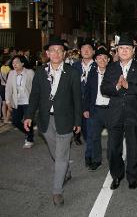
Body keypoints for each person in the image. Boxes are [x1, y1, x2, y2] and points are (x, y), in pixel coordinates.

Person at [24, 37, 82, 207]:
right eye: (52, 50)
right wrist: (28, 115)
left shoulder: (72, 72)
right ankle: (67, 171)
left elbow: (77, 99)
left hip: (65, 119)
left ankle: (57, 191)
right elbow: (34, 96)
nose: (56, 53)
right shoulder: (40, 72)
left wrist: (78, 120)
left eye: (59, 50)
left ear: (64, 54)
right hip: (45, 120)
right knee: (55, 152)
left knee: (61, 154)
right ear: (47, 53)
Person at [101, 36, 137, 190]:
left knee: (134, 146)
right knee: (113, 148)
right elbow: (104, 88)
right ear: (117, 50)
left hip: (134, 113)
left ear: (133, 51)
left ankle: (132, 176)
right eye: (121, 48)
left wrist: (128, 85)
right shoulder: (112, 67)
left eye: (127, 48)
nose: (124, 51)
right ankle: (116, 175)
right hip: (115, 113)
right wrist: (116, 87)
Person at [83, 48, 111, 171]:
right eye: (99, 58)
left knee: (113, 137)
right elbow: (87, 92)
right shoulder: (92, 73)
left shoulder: (113, 72)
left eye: (105, 58)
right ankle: (96, 160)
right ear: (95, 59)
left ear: (108, 60)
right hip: (95, 110)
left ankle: (113, 159)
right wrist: (86, 108)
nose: (102, 60)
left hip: (110, 109)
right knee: (94, 137)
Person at [72, 38, 97, 167]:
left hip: (93, 105)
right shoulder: (74, 66)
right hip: (78, 105)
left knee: (91, 130)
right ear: (80, 51)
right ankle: (91, 146)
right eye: (83, 49)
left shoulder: (98, 65)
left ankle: (89, 156)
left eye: (89, 49)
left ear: (93, 51)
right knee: (85, 132)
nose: (86, 51)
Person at [5, 55, 35, 148]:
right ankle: (29, 133)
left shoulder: (30, 72)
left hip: (27, 101)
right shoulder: (11, 73)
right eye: (13, 63)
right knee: (15, 121)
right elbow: (8, 88)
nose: (14, 64)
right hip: (16, 101)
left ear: (22, 63)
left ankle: (29, 140)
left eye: (17, 62)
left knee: (27, 120)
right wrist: (8, 101)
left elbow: (35, 87)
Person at [1, 56, 11, 124]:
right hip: (7, 87)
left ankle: (4, 118)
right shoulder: (9, 69)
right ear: (7, 61)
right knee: (9, 104)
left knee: (4, 103)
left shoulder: (1, 68)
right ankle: (7, 118)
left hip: (1, 87)